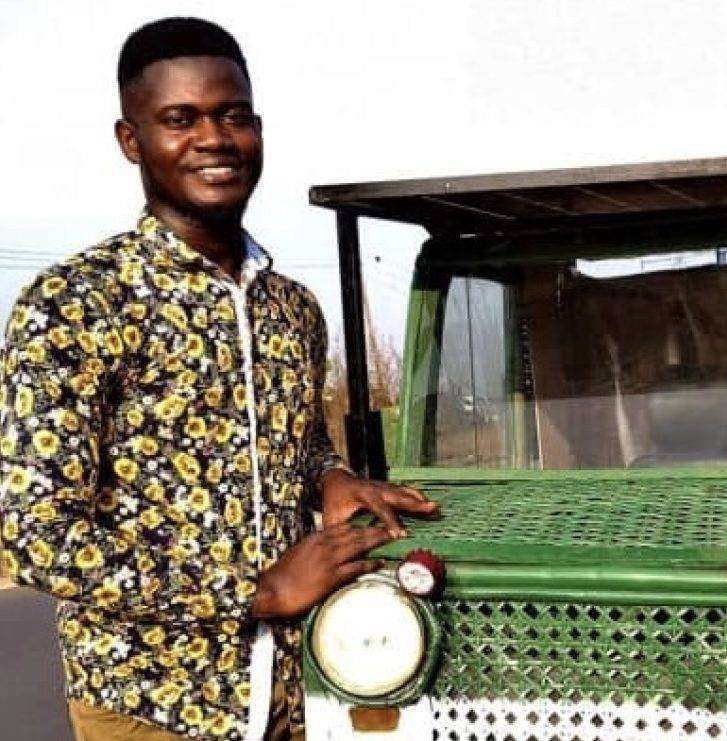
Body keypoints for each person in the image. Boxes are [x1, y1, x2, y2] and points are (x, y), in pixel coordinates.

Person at [0, 18, 438, 741]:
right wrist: (256, 591)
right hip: (151, 704)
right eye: (181, 119)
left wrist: (329, 478)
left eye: (233, 115)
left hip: (306, 694)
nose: (214, 139)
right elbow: (39, 533)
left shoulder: (291, 306)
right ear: (131, 140)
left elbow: (300, 450)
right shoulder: (76, 302)